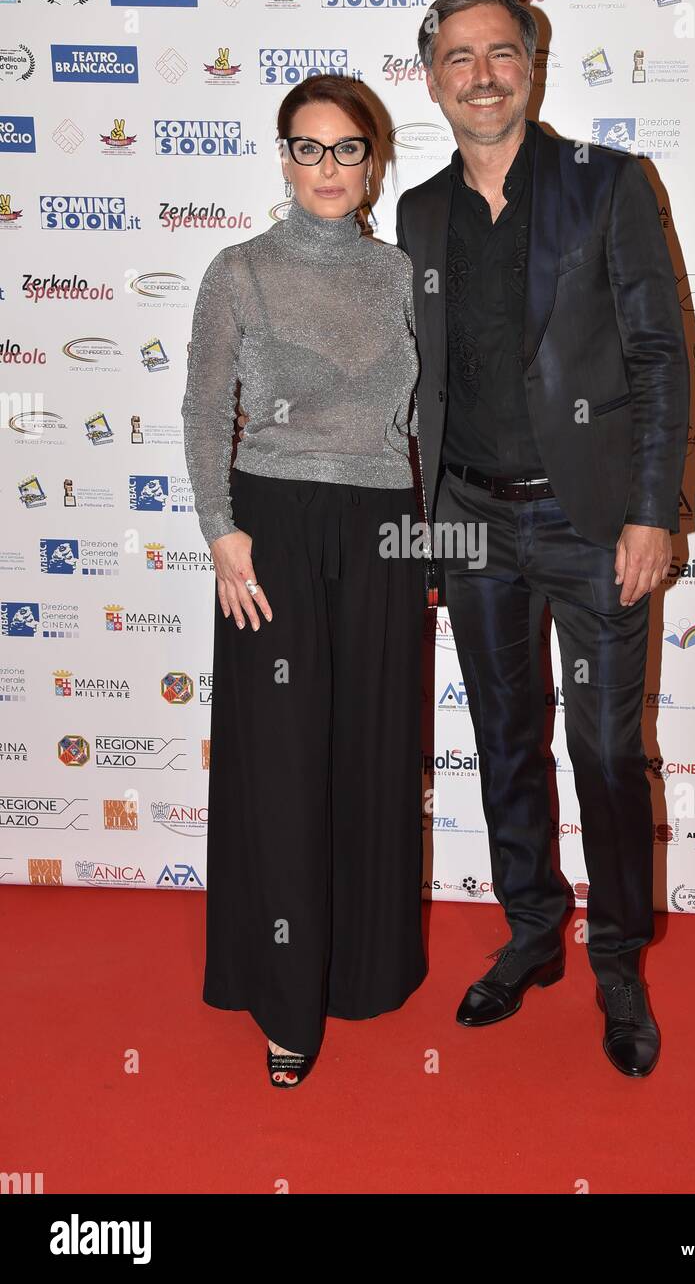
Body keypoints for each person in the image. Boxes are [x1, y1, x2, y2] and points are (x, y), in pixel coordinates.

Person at [395, 0, 690, 1077]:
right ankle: (531, 930)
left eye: (499, 53)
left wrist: (649, 513)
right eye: (457, 57)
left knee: (605, 751)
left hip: (589, 523)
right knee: (505, 745)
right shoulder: (419, 211)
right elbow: (421, 389)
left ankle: (615, 960)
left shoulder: (605, 184)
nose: (480, 73)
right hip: (467, 521)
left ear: (533, 64)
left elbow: (660, 358)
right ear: (432, 79)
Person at [181, 75, 426, 1088]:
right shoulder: (238, 269)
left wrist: (429, 551)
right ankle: (284, 1001)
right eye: (308, 148)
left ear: (373, 162)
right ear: (283, 158)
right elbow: (204, 411)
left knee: (370, 747)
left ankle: (359, 970)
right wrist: (221, 535)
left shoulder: (407, 272)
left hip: (381, 526)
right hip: (272, 529)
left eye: (347, 149)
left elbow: (422, 426)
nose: (327, 168)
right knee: (281, 762)